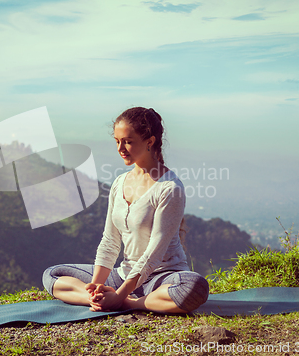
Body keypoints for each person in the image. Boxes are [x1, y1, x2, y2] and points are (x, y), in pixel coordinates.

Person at [42, 107, 209, 313]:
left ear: (150, 141)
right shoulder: (119, 183)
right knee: (52, 274)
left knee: (194, 287)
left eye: (128, 141)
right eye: (117, 141)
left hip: (161, 277)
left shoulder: (169, 188)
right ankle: (97, 299)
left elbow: (153, 255)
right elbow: (110, 241)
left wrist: (120, 296)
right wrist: (96, 287)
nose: (121, 148)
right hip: (123, 275)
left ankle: (129, 303)